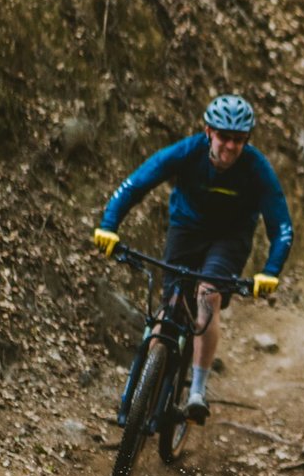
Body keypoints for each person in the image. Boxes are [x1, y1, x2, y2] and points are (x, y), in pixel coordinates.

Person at [92, 94, 292, 424]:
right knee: (170, 302)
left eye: (238, 140)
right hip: (186, 228)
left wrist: (271, 270)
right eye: (223, 137)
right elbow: (136, 183)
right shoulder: (187, 152)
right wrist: (109, 226)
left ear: (247, 141)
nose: (229, 146)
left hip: (231, 238)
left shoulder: (256, 168)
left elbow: (281, 224)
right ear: (208, 131)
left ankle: (197, 389)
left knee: (207, 296)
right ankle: (143, 385)